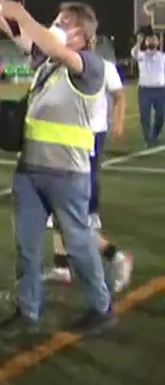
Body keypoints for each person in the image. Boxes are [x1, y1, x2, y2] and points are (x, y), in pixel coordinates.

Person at [0, 0, 114, 338]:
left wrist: (23, 13)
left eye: (65, 22)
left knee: (79, 245)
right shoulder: (47, 62)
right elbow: (10, 23)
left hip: (68, 174)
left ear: (83, 35)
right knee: (27, 247)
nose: (57, 25)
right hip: (29, 171)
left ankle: (101, 307)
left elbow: (29, 25)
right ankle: (28, 311)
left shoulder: (90, 66)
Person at [43, 57, 133, 292]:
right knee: (58, 207)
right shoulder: (59, 64)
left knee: (69, 211)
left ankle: (114, 256)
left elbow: (118, 94)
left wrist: (118, 121)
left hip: (84, 139)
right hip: (61, 140)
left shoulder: (101, 66)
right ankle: (62, 265)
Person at [131, 32, 165, 147]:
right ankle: (148, 139)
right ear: (146, 42)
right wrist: (138, 42)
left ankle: (155, 135)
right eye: (149, 39)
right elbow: (134, 53)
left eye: (154, 39)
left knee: (161, 116)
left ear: (158, 42)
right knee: (145, 116)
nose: (152, 41)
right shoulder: (142, 55)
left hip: (160, 90)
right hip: (145, 90)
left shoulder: (162, 56)